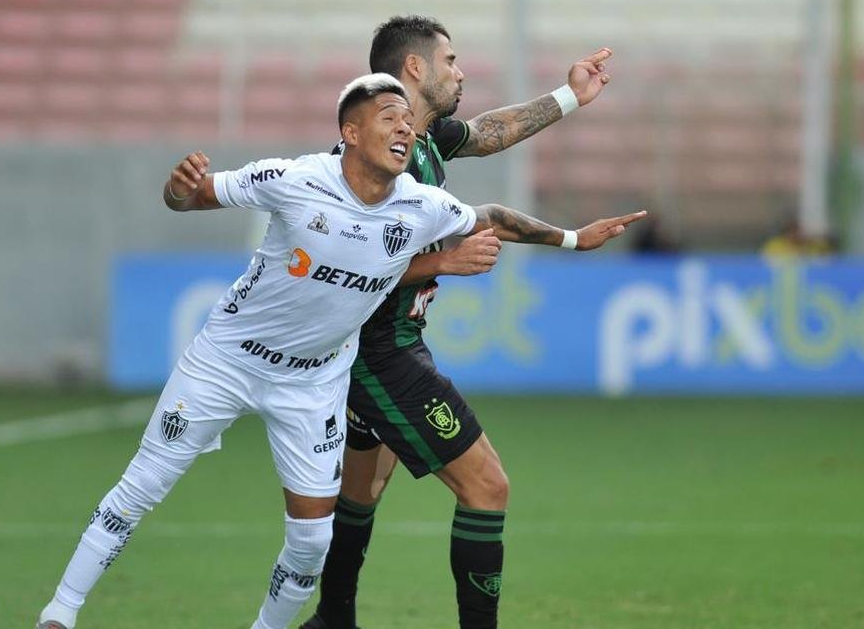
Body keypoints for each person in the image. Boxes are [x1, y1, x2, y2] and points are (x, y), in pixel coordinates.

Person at [34, 72, 645, 629]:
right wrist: (178, 190)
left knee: (310, 543)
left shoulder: (422, 204)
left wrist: (572, 239)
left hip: (314, 383)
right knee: (140, 488)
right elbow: (192, 197)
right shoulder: (294, 180)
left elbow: (492, 219)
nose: (405, 128)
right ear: (349, 133)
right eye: (389, 117)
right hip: (227, 360)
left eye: (408, 121)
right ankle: (59, 614)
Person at [303, 16, 631, 629]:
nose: (461, 71)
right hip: (378, 351)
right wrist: (443, 262)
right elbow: (343, 263)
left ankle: (332, 619)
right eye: (450, 60)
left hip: (385, 344)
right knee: (487, 486)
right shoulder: (369, 162)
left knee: (361, 491)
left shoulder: (421, 142)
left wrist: (569, 97)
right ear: (415, 69)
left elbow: (489, 135)